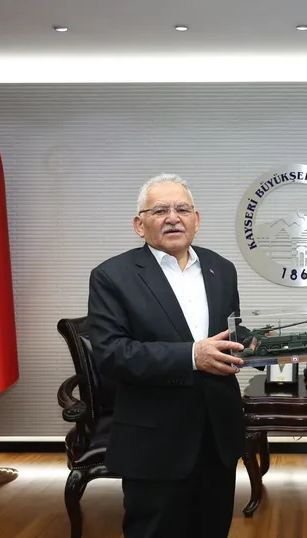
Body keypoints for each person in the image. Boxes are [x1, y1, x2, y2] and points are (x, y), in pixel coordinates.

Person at [87, 173, 247, 538]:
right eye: (159, 210)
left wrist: (278, 345)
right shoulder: (112, 276)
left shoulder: (221, 269)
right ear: (139, 225)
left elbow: (230, 334)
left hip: (217, 436)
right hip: (154, 443)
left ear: (196, 219)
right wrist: (191, 356)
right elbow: (111, 354)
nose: (173, 217)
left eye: (182, 209)